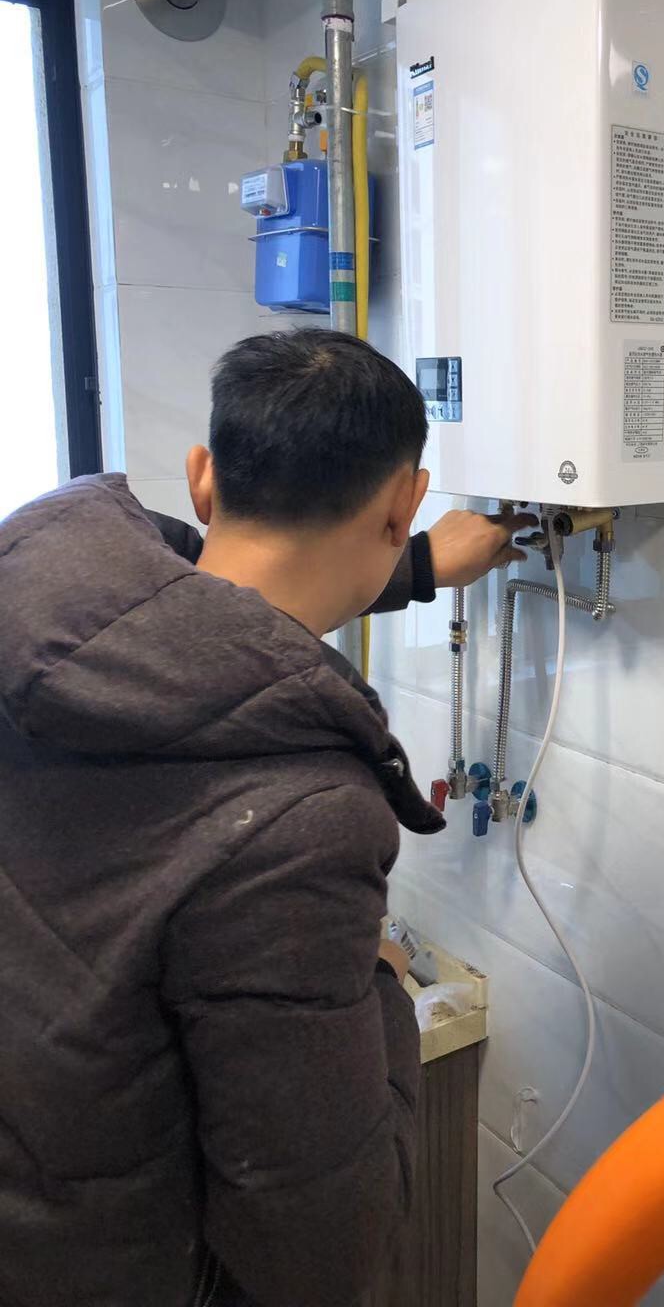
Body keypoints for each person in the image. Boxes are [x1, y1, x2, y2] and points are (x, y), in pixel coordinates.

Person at [0, 329, 534, 1307]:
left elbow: (187, 607)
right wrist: (380, 980)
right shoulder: (299, 820)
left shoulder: (32, 606)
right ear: (406, 501)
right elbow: (320, 1253)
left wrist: (412, 565)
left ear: (203, 478)